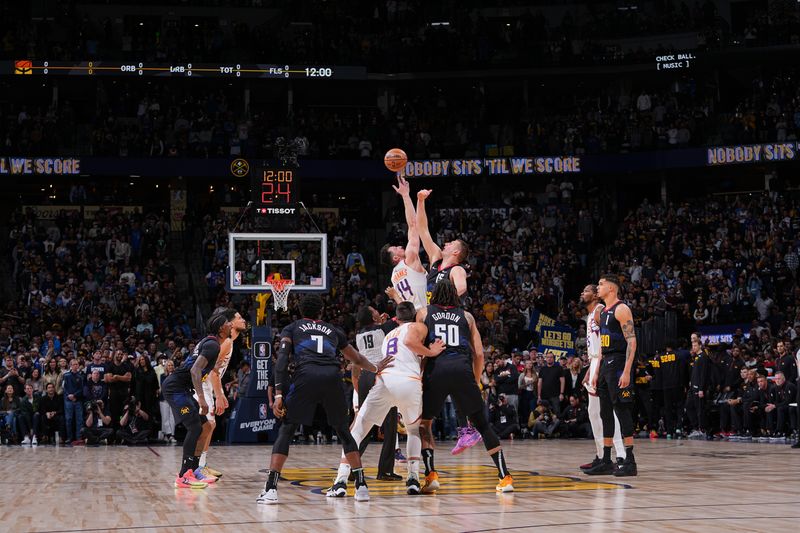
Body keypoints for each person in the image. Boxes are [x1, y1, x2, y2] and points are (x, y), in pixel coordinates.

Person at [257, 294, 393, 504]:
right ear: (321, 312)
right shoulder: (333, 330)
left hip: (306, 375)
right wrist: (375, 367)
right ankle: (361, 486)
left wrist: (278, 394)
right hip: (332, 377)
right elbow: (356, 358)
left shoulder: (292, 328)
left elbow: (282, 361)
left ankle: (271, 489)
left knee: (287, 430)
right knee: (344, 432)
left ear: (301, 312)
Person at [328, 301, 445, 497]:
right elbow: (410, 343)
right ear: (414, 315)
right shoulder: (418, 326)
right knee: (414, 430)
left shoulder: (388, 334)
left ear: (396, 319)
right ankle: (413, 478)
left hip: (383, 380)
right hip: (408, 381)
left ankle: (341, 479)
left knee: (357, 429)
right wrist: (432, 352)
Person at [417, 280, 514, 494]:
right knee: (482, 424)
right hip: (462, 370)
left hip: (437, 370)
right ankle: (505, 477)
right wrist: (476, 379)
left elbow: (420, 350)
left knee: (425, 424)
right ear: (455, 296)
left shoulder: (424, 313)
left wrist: (420, 377)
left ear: (433, 295)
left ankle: (431, 474)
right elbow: (479, 354)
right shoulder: (467, 316)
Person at [162, 312, 232, 489]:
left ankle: (194, 470)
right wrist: (201, 398)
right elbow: (195, 371)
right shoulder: (212, 345)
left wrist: (214, 366)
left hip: (183, 389)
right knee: (194, 427)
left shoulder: (210, 343)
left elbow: (198, 365)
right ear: (220, 328)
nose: (230, 325)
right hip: (175, 388)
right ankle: (183, 475)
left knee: (206, 426)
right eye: (228, 323)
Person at [586, 274, 638, 477]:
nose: (598, 287)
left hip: (618, 363)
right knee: (605, 412)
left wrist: (626, 370)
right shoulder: (603, 312)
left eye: (601, 284)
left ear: (612, 289)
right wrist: (596, 369)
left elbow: (632, 342)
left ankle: (630, 461)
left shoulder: (621, 309)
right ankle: (606, 460)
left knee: (622, 411)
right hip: (606, 362)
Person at [195, 308, 247, 481]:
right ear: (230, 323)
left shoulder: (227, 341)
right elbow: (213, 371)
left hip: (204, 384)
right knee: (207, 425)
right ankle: (196, 467)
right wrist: (220, 395)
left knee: (210, 425)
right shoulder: (226, 342)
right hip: (202, 385)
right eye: (239, 318)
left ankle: (201, 465)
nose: (243, 320)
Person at [351, 306, 402, 481]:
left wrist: (380, 322)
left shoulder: (358, 335)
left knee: (364, 424)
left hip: (365, 376)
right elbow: (403, 317)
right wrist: (384, 322)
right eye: (374, 311)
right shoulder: (384, 328)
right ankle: (385, 471)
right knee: (390, 426)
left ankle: (351, 467)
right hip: (381, 376)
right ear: (373, 316)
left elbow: (376, 330)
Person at [381, 175, 428, 310]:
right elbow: (413, 225)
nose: (400, 246)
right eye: (396, 248)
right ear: (396, 258)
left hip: (410, 316)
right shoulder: (410, 259)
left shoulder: (394, 278)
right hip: (425, 312)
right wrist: (405, 195)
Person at [62, 358, 85, 446]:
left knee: (79, 420)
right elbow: (64, 387)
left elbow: (81, 389)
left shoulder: (81, 376)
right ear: (70, 365)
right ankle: (69, 438)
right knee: (69, 419)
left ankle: (79, 437)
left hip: (78, 400)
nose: (75, 366)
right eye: (74, 364)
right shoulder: (66, 375)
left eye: (77, 364)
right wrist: (69, 395)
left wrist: (75, 396)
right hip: (68, 400)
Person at [159, 360, 176, 443]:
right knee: (165, 417)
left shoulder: (176, 376)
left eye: (172, 365)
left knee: (172, 418)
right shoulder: (162, 376)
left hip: (173, 399)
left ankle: (171, 435)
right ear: (166, 367)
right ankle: (167, 434)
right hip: (164, 399)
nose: (170, 367)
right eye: (169, 365)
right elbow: (164, 387)